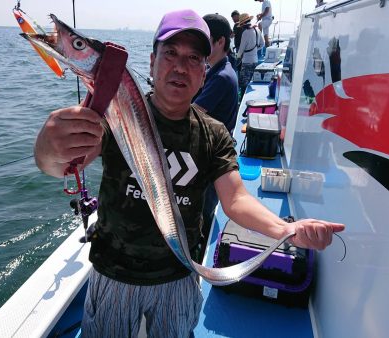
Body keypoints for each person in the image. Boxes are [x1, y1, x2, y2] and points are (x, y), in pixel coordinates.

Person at [34, 9, 345, 337]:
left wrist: (286, 230)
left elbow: (236, 199)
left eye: (194, 57)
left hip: (179, 277)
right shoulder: (116, 117)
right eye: (170, 53)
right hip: (114, 274)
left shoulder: (212, 134)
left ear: (204, 71)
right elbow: (60, 165)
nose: (180, 66)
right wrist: (49, 147)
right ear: (153, 60)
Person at [192, 13, 239, 257]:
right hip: (209, 153)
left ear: (220, 41)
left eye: (204, 40)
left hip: (210, 159)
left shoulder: (222, 77)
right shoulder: (219, 69)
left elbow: (193, 114)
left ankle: (199, 259)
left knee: (203, 215)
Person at [236, 13, 264, 96]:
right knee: (252, 84)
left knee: (244, 85)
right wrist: (255, 49)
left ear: (243, 23)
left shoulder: (246, 32)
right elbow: (262, 44)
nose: (241, 27)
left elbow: (241, 49)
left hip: (246, 62)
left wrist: (237, 58)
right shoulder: (257, 30)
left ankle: (242, 104)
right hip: (255, 61)